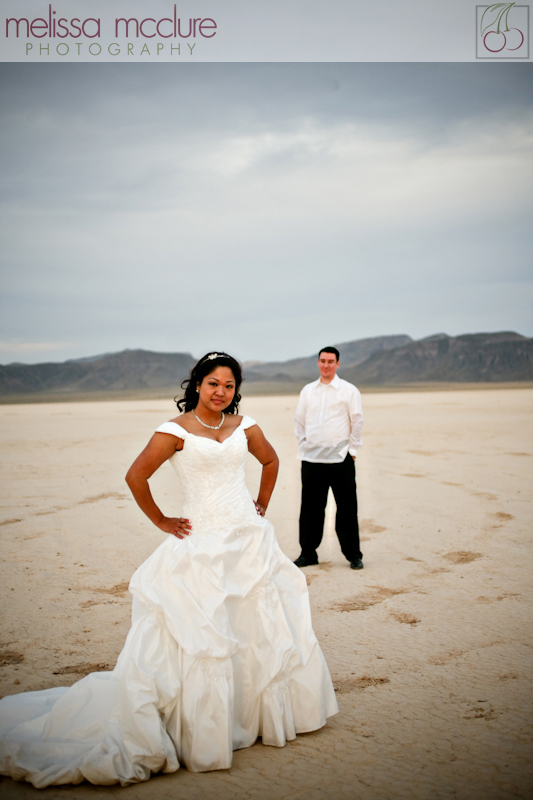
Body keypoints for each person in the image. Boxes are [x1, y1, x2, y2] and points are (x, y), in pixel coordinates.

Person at [0, 352, 338, 788]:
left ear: (237, 390)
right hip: (202, 543)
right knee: (207, 632)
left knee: (257, 626)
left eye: (229, 385)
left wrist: (261, 505)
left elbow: (270, 461)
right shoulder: (174, 431)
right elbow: (136, 476)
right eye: (213, 383)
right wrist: (162, 521)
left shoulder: (244, 426)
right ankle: (208, 725)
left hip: (249, 541)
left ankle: (249, 717)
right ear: (197, 385)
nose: (221, 392)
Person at [294, 346, 364, 570]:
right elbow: (299, 421)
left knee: (347, 509)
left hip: (341, 459)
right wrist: (305, 444)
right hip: (312, 460)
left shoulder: (348, 390)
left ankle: (354, 555)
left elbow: (357, 420)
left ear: (338, 364)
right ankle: (308, 553)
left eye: (330, 361)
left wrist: (352, 452)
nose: (326, 365)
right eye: (322, 361)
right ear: (318, 363)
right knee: (310, 510)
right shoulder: (308, 391)